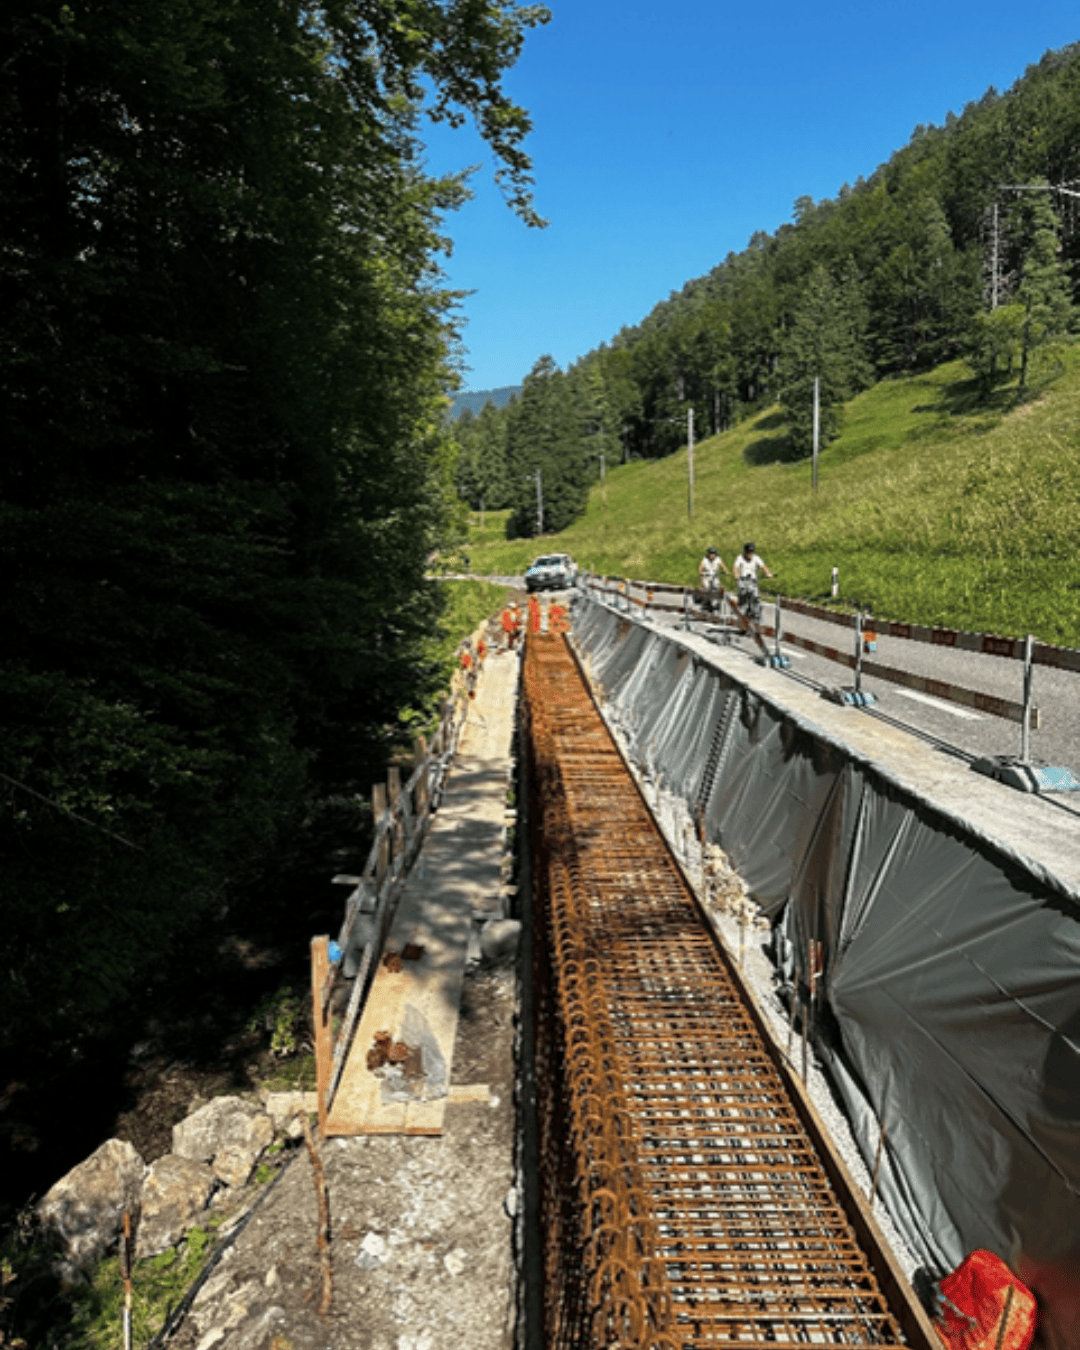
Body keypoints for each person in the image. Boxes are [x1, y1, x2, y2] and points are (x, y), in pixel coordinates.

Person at [732, 541, 774, 623]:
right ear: (745, 552)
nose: (750, 554)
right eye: (748, 552)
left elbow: (763, 566)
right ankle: (742, 612)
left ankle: (755, 615)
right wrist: (736, 576)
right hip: (743, 580)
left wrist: (767, 573)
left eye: (751, 552)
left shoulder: (756, 558)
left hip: (752, 581)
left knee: (755, 596)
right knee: (743, 594)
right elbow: (735, 567)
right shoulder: (740, 558)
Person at [698, 547, 729, 612]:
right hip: (706, 576)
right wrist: (701, 573)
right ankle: (705, 603)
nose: (712, 555)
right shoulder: (705, 560)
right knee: (707, 588)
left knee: (716, 586)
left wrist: (725, 570)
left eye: (713, 554)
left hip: (714, 576)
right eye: (711, 554)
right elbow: (701, 567)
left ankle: (716, 602)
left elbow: (722, 565)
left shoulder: (717, 559)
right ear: (708, 554)